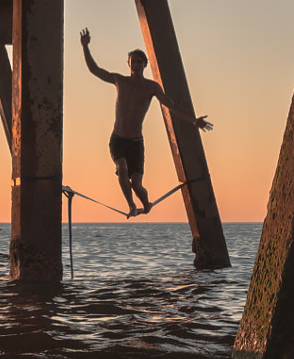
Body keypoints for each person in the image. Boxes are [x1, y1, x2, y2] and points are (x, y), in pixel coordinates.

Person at [80, 28, 210, 217]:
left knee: (137, 184)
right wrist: (85, 47)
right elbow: (95, 70)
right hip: (118, 139)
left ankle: (146, 205)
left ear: (145, 65)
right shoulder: (120, 81)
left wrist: (193, 121)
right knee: (122, 168)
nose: (137, 65)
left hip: (136, 143)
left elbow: (171, 105)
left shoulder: (151, 87)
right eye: (133, 62)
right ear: (129, 64)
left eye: (140, 62)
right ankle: (132, 205)